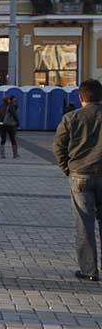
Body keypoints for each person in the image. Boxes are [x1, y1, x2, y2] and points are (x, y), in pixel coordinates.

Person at [53, 78, 102, 282]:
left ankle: (89, 270)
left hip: (80, 176)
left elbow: (59, 147)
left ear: (81, 97)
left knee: (84, 223)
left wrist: (68, 169)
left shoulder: (70, 118)